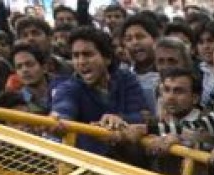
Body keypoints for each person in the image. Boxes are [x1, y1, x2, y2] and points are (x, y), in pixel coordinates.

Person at [51, 27, 147, 155]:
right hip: (90, 166)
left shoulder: (126, 78)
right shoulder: (68, 88)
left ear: (107, 58)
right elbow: (63, 111)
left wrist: (118, 120)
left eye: (87, 54)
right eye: (76, 56)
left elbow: (141, 116)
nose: (81, 62)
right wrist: (57, 120)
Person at [10, 42, 53, 114]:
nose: (24, 70)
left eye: (30, 64)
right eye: (19, 67)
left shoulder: (62, 89)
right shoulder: (16, 101)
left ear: (44, 68)